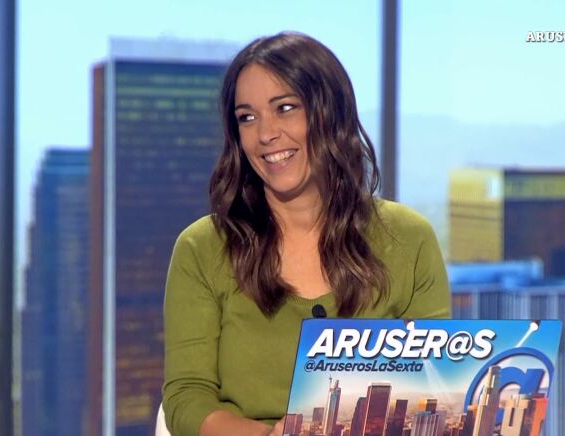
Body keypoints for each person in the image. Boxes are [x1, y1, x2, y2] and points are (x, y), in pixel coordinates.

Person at [162, 31, 450, 436]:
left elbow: (438, 389)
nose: (265, 134)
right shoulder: (203, 248)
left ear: (330, 114)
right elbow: (187, 397)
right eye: (247, 117)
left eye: (285, 108)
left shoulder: (408, 239)